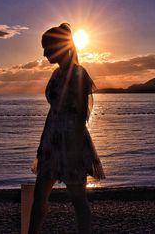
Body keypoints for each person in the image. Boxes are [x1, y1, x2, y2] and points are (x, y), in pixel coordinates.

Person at [28, 23, 106, 234]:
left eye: (47, 48)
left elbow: (81, 116)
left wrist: (74, 151)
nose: (44, 54)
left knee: (78, 199)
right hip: (51, 143)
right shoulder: (55, 74)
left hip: (72, 143)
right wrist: (40, 145)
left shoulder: (79, 74)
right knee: (39, 196)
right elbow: (52, 112)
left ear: (61, 46)